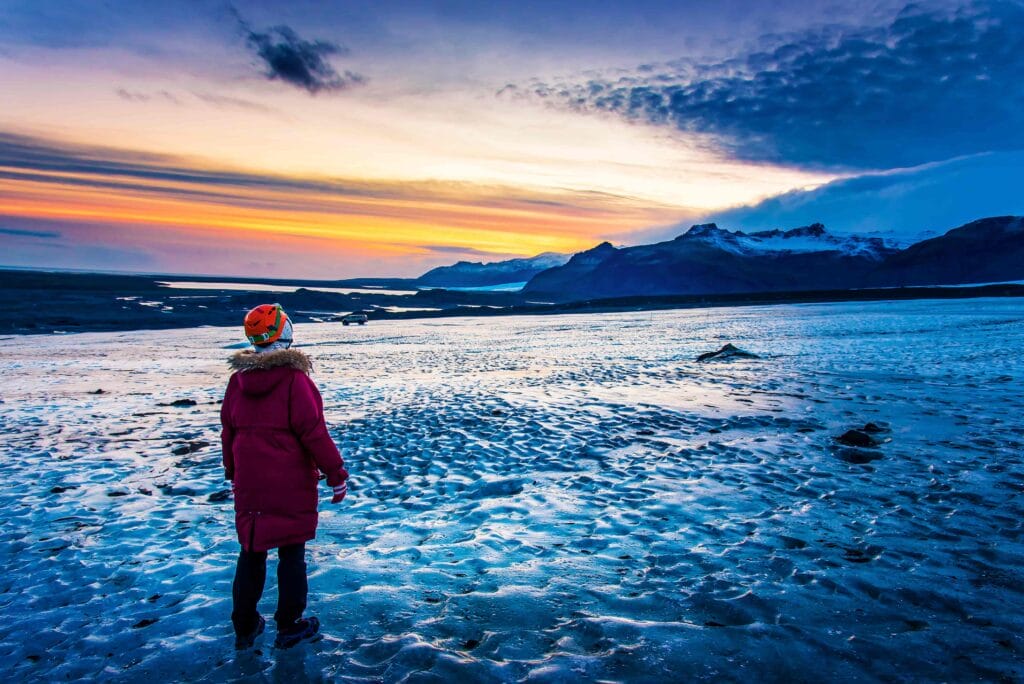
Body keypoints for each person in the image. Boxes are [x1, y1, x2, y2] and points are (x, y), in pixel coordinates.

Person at [220, 304, 349, 650]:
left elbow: (228, 433)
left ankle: (245, 625)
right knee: (292, 554)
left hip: (250, 485)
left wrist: (233, 472)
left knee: (251, 552)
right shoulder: (295, 381)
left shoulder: (237, 382)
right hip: (290, 484)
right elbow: (314, 433)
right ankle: (289, 624)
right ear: (285, 334)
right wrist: (336, 473)